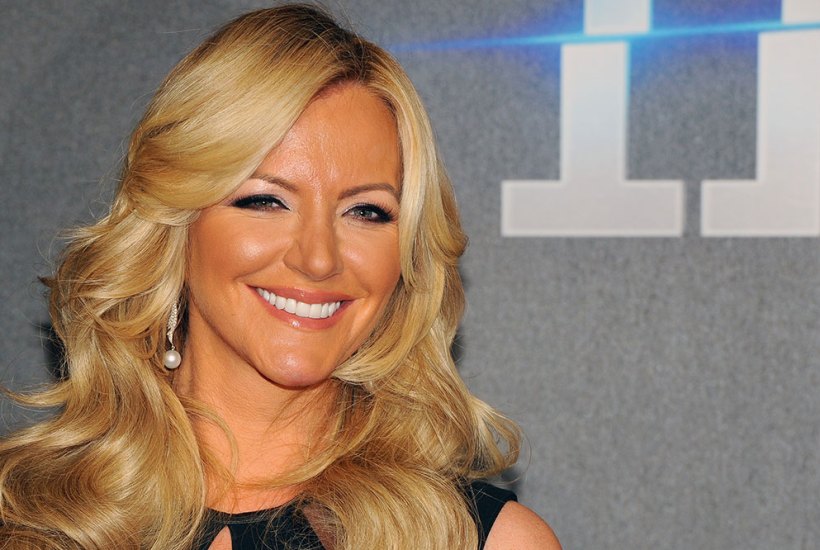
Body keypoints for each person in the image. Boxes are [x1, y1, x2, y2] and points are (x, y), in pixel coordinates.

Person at [0, 4, 560, 549]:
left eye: (366, 211)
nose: (318, 259)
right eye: (266, 201)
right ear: (178, 225)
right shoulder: (25, 516)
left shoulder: (480, 540)